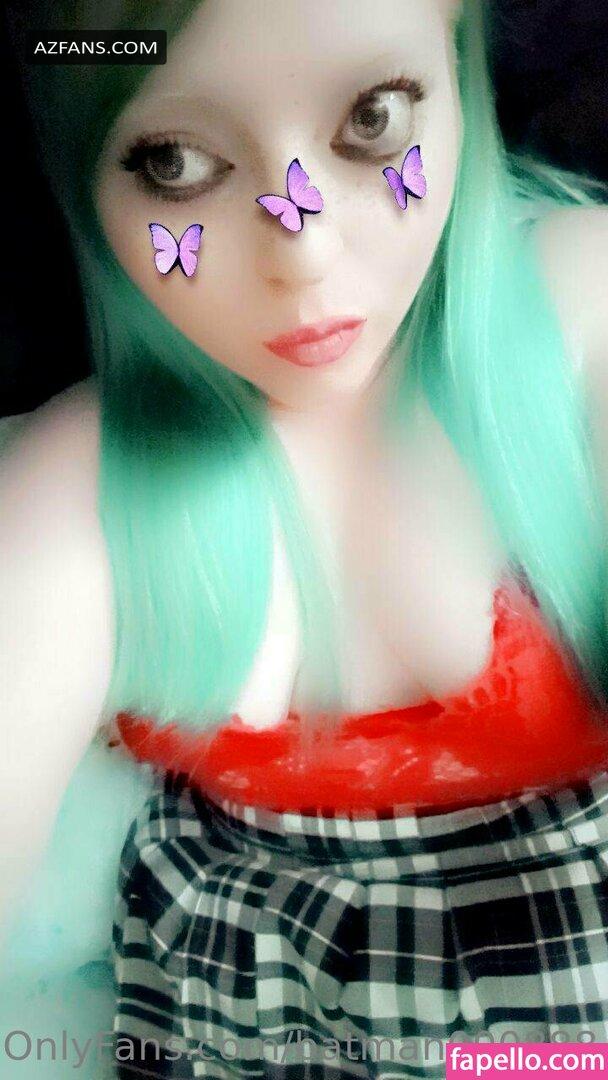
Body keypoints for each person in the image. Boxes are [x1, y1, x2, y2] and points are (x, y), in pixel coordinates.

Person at [2, 0, 608, 1076]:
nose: (306, 250)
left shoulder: (582, 317)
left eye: (374, 119)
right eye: (176, 163)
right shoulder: (80, 487)